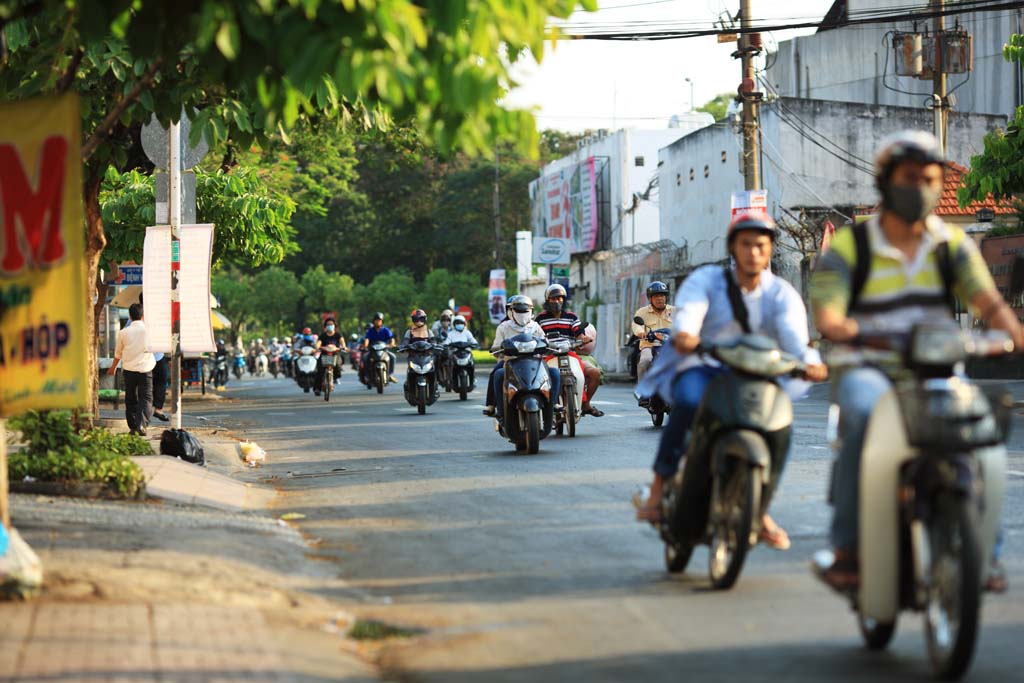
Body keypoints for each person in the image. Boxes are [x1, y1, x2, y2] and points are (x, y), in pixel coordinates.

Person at [810, 131, 1024, 593]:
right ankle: (847, 547)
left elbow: (988, 301)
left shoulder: (952, 243)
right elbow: (827, 312)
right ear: (885, 181)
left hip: (937, 367)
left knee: (978, 437)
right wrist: (849, 329)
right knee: (864, 419)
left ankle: (985, 555)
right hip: (867, 365)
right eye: (911, 177)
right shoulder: (851, 246)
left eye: (930, 178)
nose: (922, 187)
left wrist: (1014, 332)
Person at [634, 212, 828, 551]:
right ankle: (657, 489)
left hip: (758, 374)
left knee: (780, 427)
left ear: (769, 251)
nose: (753, 252)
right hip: (705, 366)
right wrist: (687, 335)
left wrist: (811, 364)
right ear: (733, 248)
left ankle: (760, 510)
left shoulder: (780, 294)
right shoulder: (707, 281)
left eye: (761, 245)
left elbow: (797, 343)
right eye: (746, 244)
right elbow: (690, 316)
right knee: (689, 405)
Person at [483, 296, 562, 418]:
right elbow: (496, 348)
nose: (522, 314)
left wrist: (549, 346)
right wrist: (499, 350)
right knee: (498, 374)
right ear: (512, 311)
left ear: (531, 311)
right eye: (518, 311)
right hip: (511, 363)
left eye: (525, 311)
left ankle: (553, 404)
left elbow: (545, 342)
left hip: (535, 364)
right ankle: (499, 409)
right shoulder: (504, 327)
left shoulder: (535, 327)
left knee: (555, 373)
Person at [534, 283, 605, 417]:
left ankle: (586, 404)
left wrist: (583, 337)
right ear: (547, 300)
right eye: (553, 299)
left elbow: (578, 331)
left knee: (594, 373)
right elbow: (535, 335)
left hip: (570, 354)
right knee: (541, 378)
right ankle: (548, 404)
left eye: (560, 298)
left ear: (564, 300)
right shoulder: (540, 319)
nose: (557, 301)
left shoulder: (571, 317)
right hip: (549, 355)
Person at [108, 303, 157, 436]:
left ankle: (133, 426)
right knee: (145, 398)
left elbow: (118, 353)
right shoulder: (149, 330)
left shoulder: (123, 333)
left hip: (129, 370)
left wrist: (113, 368)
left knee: (130, 398)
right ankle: (141, 424)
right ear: (143, 316)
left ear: (130, 316)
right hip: (145, 369)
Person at [632, 281, 674, 382]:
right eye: (656, 296)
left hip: (671, 346)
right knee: (645, 361)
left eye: (662, 295)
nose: (660, 298)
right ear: (650, 298)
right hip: (649, 346)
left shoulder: (675, 311)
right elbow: (637, 325)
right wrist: (641, 332)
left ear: (666, 297)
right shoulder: (642, 312)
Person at [361, 312, 398, 385]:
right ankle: (367, 376)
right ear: (373, 321)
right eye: (376, 320)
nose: (378, 322)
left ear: (382, 321)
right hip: (372, 351)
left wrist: (391, 344)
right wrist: (365, 346)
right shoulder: (370, 331)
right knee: (365, 357)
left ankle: (390, 374)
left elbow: (391, 338)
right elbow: (367, 339)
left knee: (393, 357)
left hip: (384, 350)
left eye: (379, 320)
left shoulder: (386, 330)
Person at [314, 318, 348, 396]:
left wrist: (343, 347)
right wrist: (317, 347)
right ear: (325, 326)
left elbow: (342, 342)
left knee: (338, 365)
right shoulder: (322, 335)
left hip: (335, 354)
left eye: (331, 324)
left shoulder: (338, 335)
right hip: (324, 355)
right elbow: (318, 343)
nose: (330, 326)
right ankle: (317, 388)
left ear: (335, 326)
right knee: (319, 370)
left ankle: (335, 378)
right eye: (328, 325)